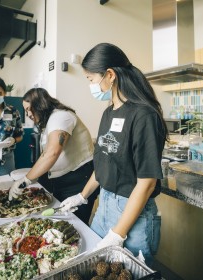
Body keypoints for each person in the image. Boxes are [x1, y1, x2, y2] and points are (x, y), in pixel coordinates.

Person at [57, 43, 168, 266]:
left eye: (90, 79)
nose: (90, 85)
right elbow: (103, 163)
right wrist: (82, 196)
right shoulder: (108, 113)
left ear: (110, 75)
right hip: (104, 205)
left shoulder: (144, 115)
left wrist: (118, 233)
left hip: (132, 213)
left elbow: (146, 183)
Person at [8, 88, 98, 225]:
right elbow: (45, 154)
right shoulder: (48, 121)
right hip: (60, 179)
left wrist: (26, 179)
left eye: (28, 109)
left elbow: (52, 153)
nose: (27, 114)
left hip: (78, 179)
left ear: (39, 105)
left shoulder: (61, 116)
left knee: (74, 223)